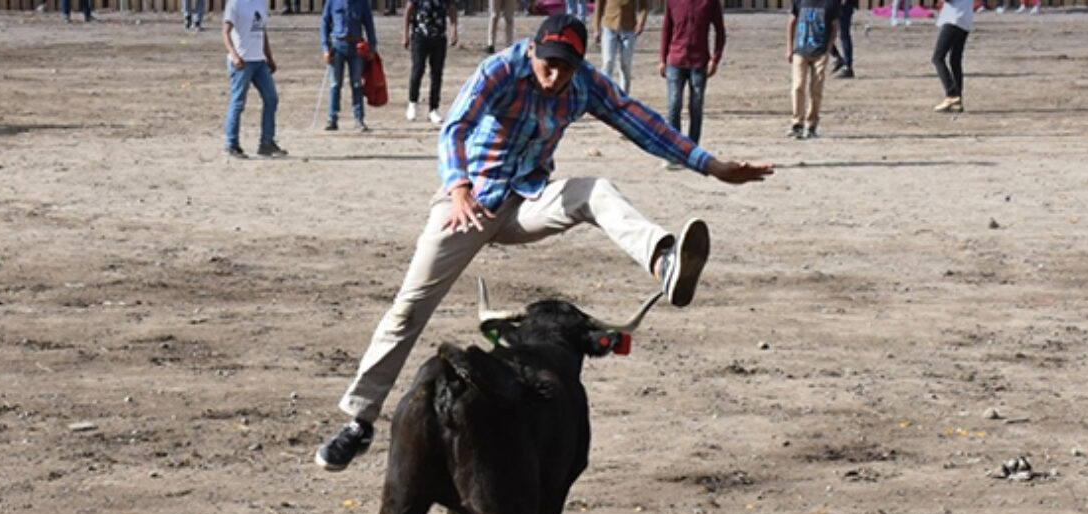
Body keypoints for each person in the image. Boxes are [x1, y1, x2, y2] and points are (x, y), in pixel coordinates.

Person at [314, 15, 775, 471]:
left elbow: (641, 123)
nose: (555, 79)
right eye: (548, 66)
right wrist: (457, 189)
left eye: (566, 69)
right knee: (409, 307)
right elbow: (454, 127)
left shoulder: (584, 84)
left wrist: (711, 166)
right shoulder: (499, 70)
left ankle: (664, 261)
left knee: (595, 190)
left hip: (529, 200)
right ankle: (359, 420)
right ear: (532, 51)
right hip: (470, 202)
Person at [223, 0, 285, 158]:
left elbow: (262, 32)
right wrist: (234, 55)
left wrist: (269, 58)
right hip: (242, 62)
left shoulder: (260, 3)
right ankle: (231, 144)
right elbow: (225, 32)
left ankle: (266, 142)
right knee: (238, 102)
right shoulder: (235, 3)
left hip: (259, 61)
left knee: (271, 98)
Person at [659, 0, 723, 146]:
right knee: (674, 104)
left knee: (696, 106)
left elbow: (720, 31)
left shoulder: (709, 3)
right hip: (675, 60)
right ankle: (675, 147)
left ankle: (692, 148)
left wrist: (715, 58)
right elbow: (666, 30)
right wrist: (662, 59)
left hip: (699, 62)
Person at [320, 0, 377, 132]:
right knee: (335, 84)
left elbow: (369, 25)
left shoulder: (362, 3)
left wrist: (372, 48)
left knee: (356, 83)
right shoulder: (332, 1)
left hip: (356, 47)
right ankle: (332, 118)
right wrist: (325, 48)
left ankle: (359, 119)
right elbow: (324, 23)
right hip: (337, 45)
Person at [401, 0, 457, 123]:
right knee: (418, 69)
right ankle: (413, 102)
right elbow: (408, 10)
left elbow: (451, 7)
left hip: (439, 36)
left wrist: (453, 29)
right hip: (420, 35)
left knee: (437, 74)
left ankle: (434, 108)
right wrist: (405, 34)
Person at [787, 0, 835, 139]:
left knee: (816, 89)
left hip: (820, 51)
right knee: (797, 86)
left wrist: (828, 49)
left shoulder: (831, 3)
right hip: (800, 51)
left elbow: (834, 26)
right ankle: (797, 122)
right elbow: (792, 21)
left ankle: (812, 123)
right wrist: (790, 48)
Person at [594, 0, 649, 93]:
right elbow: (599, 5)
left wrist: (641, 23)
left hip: (629, 28)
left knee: (625, 64)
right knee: (608, 62)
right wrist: (596, 28)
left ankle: (624, 95)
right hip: (609, 26)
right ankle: (605, 94)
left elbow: (644, 5)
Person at [930, 0, 971, 113]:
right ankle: (957, 100)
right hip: (965, 20)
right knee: (955, 61)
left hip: (954, 20)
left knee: (938, 58)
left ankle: (951, 94)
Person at [827, 0, 853, 78]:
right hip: (830, 4)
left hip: (843, 6)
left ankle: (847, 67)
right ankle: (836, 57)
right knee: (824, 33)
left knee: (844, 34)